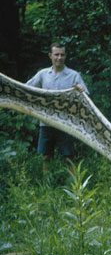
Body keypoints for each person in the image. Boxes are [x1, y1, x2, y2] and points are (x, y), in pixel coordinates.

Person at [26, 42, 89, 174]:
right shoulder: (43, 74)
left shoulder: (74, 75)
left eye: (62, 55)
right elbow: (26, 89)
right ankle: (47, 189)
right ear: (50, 55)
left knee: (69, 157)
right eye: (56, 55)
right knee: (46, 157)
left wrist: (81, 91)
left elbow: (86, 97)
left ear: (65, 56)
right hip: (46, 122)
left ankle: (74, 189)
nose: (59, 58)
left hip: (66, 122)